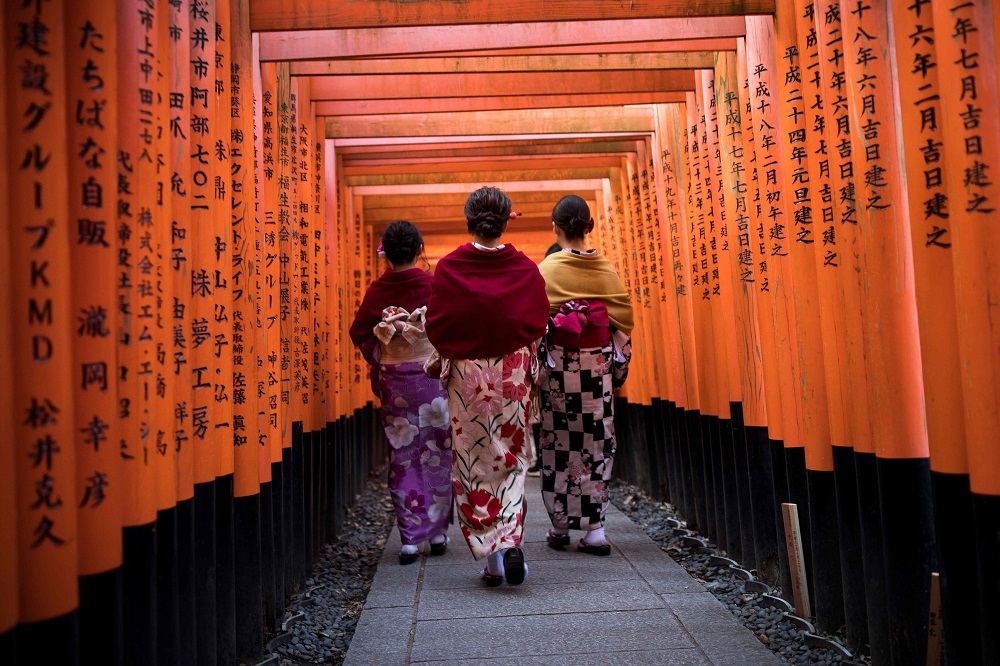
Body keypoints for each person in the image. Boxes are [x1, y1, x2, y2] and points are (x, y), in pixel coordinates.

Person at [425, 186, 550, 586]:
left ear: (469, 221)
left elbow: (437, 325)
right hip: (511, 371)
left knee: (473, 460)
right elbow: (538, 321)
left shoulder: (449, 267)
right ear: (506, 219)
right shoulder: (525, 268)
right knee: (510, 457)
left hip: (467, 375)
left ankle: (492, 559)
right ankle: (511, 542)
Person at [349, 221, 453, 565]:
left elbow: (359, 332)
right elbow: (447, 325)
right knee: (437, 448)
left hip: (395, 381)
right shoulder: (432, 284)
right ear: (419, 248)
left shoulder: (378, 290)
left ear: (386, 254)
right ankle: (437, 532)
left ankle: (410, 538)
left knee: (403, 451)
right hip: (430, 378)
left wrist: (383, 352)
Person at [537, 195, 634, 556]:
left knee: (558, 443)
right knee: (597, 442)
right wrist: (616, 370)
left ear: (555, 228)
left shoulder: (546, 271)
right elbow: (621, 328)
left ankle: (560, 524)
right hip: (597, 375)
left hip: (558, 373)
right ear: (589, 227)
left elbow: (533, 325)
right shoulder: (606, 270)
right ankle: (595, 529)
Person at [526, 241, 564, 478]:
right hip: (580, 363)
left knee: (544, 413)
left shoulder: (542, 278)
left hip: (547, 355)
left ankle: (543, 458)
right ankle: (545, 458)